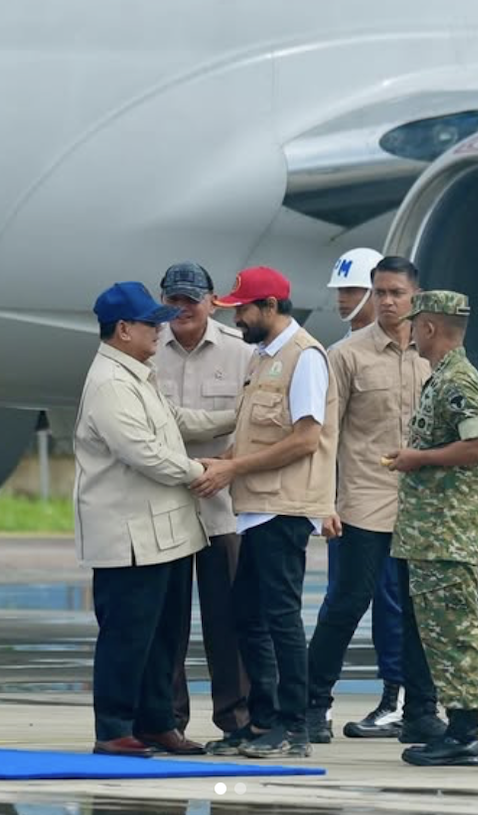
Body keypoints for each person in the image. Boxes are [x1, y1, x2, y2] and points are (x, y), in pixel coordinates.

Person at [73, 281, 234, 757]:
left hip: (164, 532)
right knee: (127, 635)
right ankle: (115, 728)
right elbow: (141, 451)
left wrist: (238, 415)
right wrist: (199, 472)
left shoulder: (136, 373)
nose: (160, 331)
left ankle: (157, 722)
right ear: (123, 330)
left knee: (165, 636)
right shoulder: (109, 383)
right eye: (151, 323)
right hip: (129, 537)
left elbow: (178, 422)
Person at [190, 266, 338, 759]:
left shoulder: (305, 358)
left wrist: (235, 470)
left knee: (279, 618)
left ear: (270, 307)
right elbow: (256, 434)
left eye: (244, 310)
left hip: (284, 508)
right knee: (246, 616)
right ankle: (262, 721)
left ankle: (293, 726)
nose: (237, 319)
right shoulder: (262, 358)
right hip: (255, 510)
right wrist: (224, 463)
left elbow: (305, 438)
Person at [306, 256, 439, 745]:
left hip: (420, 505)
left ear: (414, 296)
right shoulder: (346, 355)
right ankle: (312, 704)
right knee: (346, 604)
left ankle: (421, 711)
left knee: (417, 609)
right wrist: (323, 502)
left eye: (396, 293)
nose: (386, 301)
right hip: (363, 499)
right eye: (379, 292)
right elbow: (326, 436)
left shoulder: (435, 352)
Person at [387, 290, 478, 767]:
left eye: (416, 324)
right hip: (432, 533)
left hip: (448, 533)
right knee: (440, 633)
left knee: (455, 633)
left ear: (429, 328)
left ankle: (465, 735)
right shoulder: (441, 378)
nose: (410, 332)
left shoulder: (458, 381)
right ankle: (456, 729)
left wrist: (419, 459)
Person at [154, 262, 254, 740]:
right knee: (167, 626)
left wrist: (227, 465)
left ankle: (236, 722)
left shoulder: (241, 353)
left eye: (190, 300)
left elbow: (258, 424)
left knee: (229, 624)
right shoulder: (147, 350)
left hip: (223, 509)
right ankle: (169, 723)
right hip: (164, 508)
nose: (181, 309)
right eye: (173, 300)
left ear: (212, 301)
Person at [327, 247, 383, 339]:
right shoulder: (336, 350)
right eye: (339, 290)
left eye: (350, 291)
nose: (340, 299)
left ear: (375, 292)